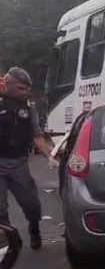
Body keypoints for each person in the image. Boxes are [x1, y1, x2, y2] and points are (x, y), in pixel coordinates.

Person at [0, 68, 58, 249]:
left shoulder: (28, 110)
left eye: (27, 89)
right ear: (7, 84)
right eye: (20, 88)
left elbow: (37, 136)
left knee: (31, 203)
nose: (24, 92)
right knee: (0, 209)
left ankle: (34, 229)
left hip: (19, 163)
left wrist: (49, 156)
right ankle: (7, 243)